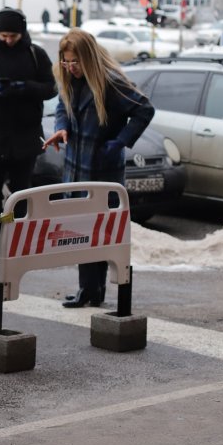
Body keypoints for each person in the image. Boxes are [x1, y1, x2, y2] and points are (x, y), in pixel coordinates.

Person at [43, 28, 154, 308]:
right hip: (76, 168)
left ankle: (94, 290)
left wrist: (118, 143)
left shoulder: (110, 82)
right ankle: (88, 289)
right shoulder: (69, 78)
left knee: (99, 233)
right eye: (66, 61)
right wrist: (61, 128)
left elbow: (144, 110)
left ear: (88, 58)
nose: (70, 67)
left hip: (102, 171)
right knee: (81, 231)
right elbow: (61, 106)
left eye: (75, 62)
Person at [0, 7, 56, 262]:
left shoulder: (36, 54)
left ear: (22, 32)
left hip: (25, 135)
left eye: (13, 36)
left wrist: (25, 88)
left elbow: (51, 88)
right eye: (5, 35)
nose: (8, 40)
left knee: (23, 190)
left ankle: (21, 237)